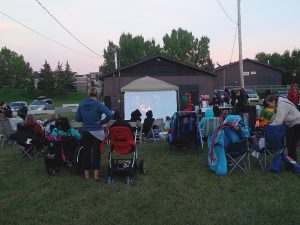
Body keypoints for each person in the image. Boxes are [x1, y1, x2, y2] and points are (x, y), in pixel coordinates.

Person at [75, 87, 112, 181]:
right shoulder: (98, 104)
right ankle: (96, 176)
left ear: (89, 94)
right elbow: (110, 114)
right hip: (97, 132)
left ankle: (86, 175)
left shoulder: (82, 103)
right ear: (97, 94)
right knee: (96, 153)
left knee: (86, 153)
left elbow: (77, 118)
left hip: (86, 131)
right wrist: (102, 121)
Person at [267, 94, 300, 162]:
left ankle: (292, 164)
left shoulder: (282, 105)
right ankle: (291, 163)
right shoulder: (282, 103)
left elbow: (278, 121)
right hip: (295, 124)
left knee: (291, 145)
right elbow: (277, 115)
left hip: (297, 124)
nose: (269, 105)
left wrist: (269, 127)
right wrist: (270, 121)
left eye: (269, 103)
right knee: (290, 144)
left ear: (273, 101)